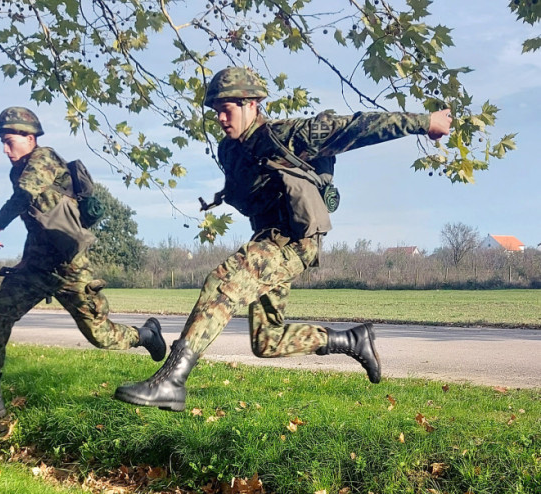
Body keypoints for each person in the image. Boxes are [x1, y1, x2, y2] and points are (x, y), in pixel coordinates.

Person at [114, 67, 453, 411]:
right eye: (215, 110)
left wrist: (425, 122)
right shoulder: (229, 150)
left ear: (252, 104)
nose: (219, 118)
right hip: (268, 240)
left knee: (223, 283)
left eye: (227, 108)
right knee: (267, 340)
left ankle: (172, 380)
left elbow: (357, 126)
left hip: (294, 242)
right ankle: (352, 339)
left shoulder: (290, 136)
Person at [0, 106, 167, 428]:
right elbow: (36, 222)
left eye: (10, 141)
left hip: (69, 268)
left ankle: (146, 334)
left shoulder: (44, 160)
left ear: (30, 137)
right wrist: (25, 259)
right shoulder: (19, 171)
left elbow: (24, 198)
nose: (5, 149)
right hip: (36, 267)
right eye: (2, 142)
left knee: (100, 336)